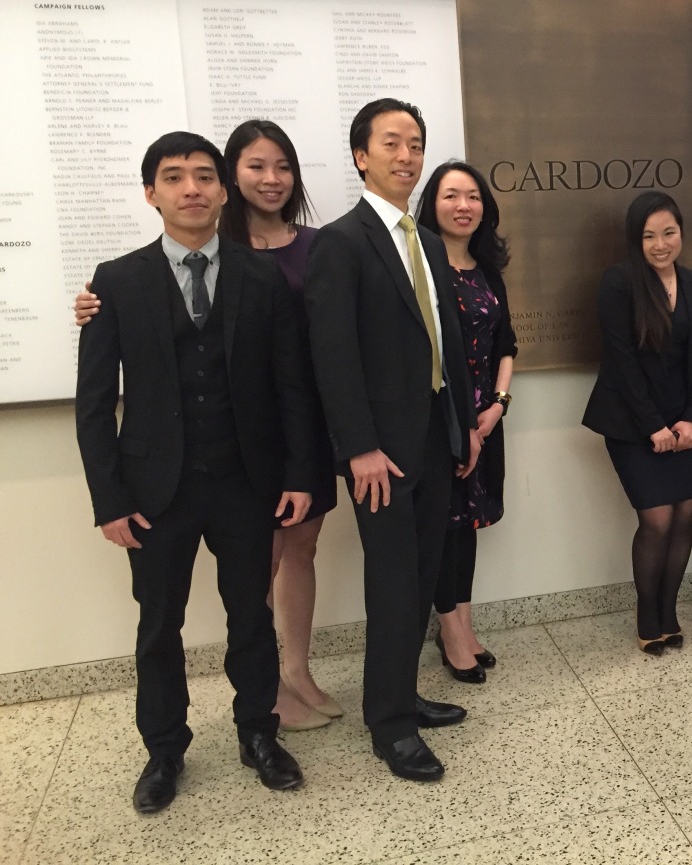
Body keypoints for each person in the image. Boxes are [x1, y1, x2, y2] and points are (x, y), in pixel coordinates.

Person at [74, 120, 343, 731]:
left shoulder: (262, 276)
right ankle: (164, 747)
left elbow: (289, 387)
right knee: (158, 624)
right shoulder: (116, 281)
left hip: (245, 481)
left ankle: (260, 732)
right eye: (173, 178)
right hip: (154, 490)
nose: (191, 189)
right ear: (151, 193)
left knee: (250, 616)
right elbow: (93, 403)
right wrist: (109, 500)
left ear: (223, 190)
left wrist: (299, 473)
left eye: (203, 177)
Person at [305, 98, 477, 782]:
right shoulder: (341, 243)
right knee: (393, 582)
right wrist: (358, 448)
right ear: (361, 156)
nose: (407, 156)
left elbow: (446, 341)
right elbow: (333, 354)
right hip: (379, 452)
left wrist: (462, 428)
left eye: (416, 144)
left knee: (422, 573)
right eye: (392, 143)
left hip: (434, 436)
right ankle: (390, 725)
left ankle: (402, 694)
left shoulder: (426, 241)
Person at [583, 191, 692, 654]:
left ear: (681, 233)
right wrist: (653, 427)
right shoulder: (619, 282)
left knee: (684, 517)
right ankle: (647, 616)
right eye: (649, 236)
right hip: (633, 424)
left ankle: (669, 611)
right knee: (657, 520)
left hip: (687, 425)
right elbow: (621, 361)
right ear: (634, 239)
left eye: (669, 233)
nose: (661, 244)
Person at [414, 161, 517, 683]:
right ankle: (450, 633)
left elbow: (507, 345)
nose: (463, 206)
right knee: (443, 527)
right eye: (451, 195)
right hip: (443, 424)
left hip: (486, 421)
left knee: (469, 526)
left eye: (473, 196)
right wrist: (464, 423)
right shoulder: (421, 270)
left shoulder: (486, 269)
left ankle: (464, 626)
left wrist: (497, 405)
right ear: (432, 204)